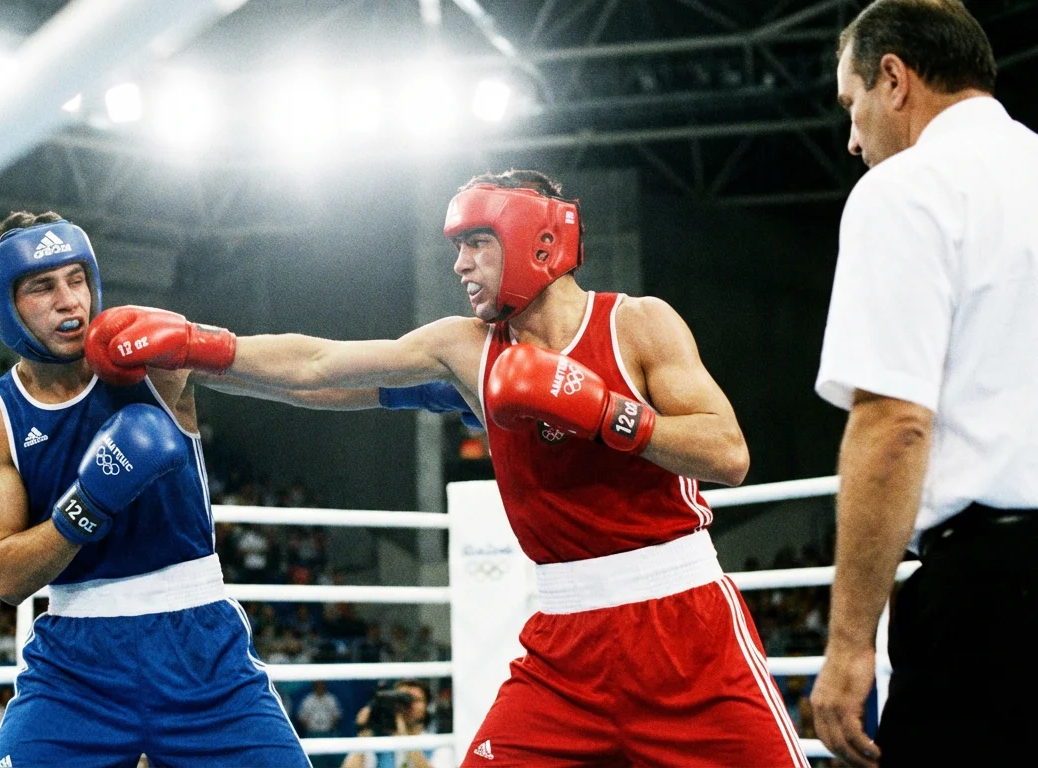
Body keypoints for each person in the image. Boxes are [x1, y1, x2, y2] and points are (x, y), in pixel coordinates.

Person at [88, 169, 808, 766]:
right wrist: (199, 346)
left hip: (682, 623)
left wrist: (606, 412)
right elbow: (320, 363)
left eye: (476, 243)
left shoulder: (637, 323)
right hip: (564, 642)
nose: (460, 264)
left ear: (537, 239)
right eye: (457, 246)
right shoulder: (466, 347)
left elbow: (727, 453)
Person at [0, 212, 312, 768]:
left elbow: (302, 370)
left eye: (77, 278)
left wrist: (415, 384)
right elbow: (5, 576)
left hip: (202, 648)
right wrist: (87, 504)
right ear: (2, 307)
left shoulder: (150, 362)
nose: (69, 300)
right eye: (42, 286)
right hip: (75, 669)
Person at [810, 2, 1038, 766]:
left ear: (894, 79)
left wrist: (847, 647)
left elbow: (894, 423)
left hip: (997, 596)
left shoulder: (909, 188)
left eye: (853, 105)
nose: (852, 137)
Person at [342, 679, 451, 768]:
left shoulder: (439, 745)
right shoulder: (378, 746)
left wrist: (405, 737)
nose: (408, 706)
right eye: (402, 699)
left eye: (415, 700)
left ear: (426, 706)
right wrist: (363, 734)